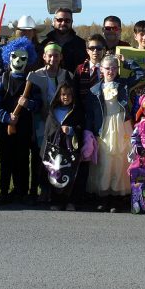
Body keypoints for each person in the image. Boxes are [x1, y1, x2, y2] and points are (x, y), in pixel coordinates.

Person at [86, 54, 143, 211]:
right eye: (107, 68)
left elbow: (140, 74)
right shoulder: (94, 90)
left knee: (121, 160)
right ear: (101, 70)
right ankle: (104, 196)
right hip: (104, 127)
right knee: (105, 160)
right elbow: (91, 113)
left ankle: (118, 197)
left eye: (114, 67)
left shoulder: (123, 84)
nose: (110, 70)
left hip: (121, 125)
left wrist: (127, 61)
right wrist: (90, 132)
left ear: (117, 69)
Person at [0, 47, 41, 204]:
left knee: (23, 159)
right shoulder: (1, 80)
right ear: (8, 57)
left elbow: (39, 105)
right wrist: (6, 117)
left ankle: (21, 191)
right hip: (6, 127)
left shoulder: (31, 82)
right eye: (15, 57)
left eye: (23, 58)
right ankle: (3, 191)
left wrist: (29, 103)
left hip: (25, 126)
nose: (18, 61)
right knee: (5, 159)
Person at [27, 42, 73, 202]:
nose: (53, 58)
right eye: (50, 55)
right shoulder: (36, 75)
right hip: (41, 122)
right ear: (44, 57)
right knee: (42, 157)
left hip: (60, 122)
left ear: (61, 57)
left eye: (56, 55)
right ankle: (39, 189)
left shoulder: (67, 75)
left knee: (58, 157)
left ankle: (56, 191)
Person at [41, 81, 86, 211]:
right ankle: (56, 200)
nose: (66, 97)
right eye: (63, 94)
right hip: (55, 149)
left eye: (69, 95)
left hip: (70, 149)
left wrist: (72, 131)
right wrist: (58, 131)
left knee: (71, 175)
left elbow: (80, 128)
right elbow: (48, 131)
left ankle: (70, 201)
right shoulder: (53, 112)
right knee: (55, 174)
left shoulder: (76, 112)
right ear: (58, 96)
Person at [41, 7, 87, 73]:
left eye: (67, 20)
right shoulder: (44, 43)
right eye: (60, 20)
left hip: (74, 82)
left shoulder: (81, 44)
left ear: (72, 22)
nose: (63, 23)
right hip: (47, 82)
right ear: (54, 21)